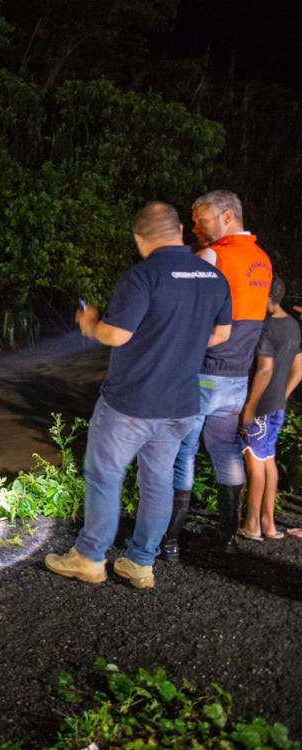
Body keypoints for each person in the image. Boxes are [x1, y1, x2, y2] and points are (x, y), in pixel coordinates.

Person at [46, 202, 231, 589]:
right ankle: (140, 564)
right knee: (159, 482)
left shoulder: (142, 277)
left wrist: (90, 323)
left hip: (130, 404)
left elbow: (117, 335)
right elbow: (221, 335)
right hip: (180, 404)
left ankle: (89, 558)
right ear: (180, 228)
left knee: (104, 476)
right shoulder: (214, 277)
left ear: (139, 238)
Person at [163, 190, 272, 558]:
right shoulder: (262, 260)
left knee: (184, 451)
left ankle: (171, 539)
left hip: (203, 374)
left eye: (202, 220)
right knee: (225, 451)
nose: (195, 228)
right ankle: (227, 537)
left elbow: (184, 312)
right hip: (237, 379)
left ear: (227, 217)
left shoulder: (214, 256)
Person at [237, 277, 301, 540]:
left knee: (255, 461)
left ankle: (252, 524)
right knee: (268, 460)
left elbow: (264, 370)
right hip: (277, 405)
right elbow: (299, 370)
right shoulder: (293, 327)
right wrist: (281, 396)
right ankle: (269, 524)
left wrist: (250, 408)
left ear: (267, 297)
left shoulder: (266, 327)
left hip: (261, 404)